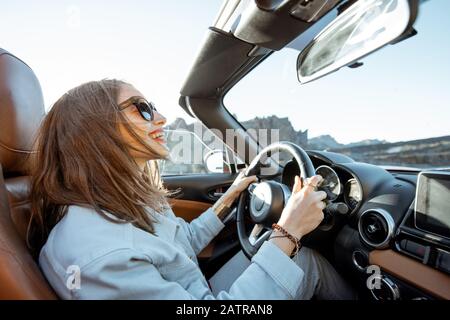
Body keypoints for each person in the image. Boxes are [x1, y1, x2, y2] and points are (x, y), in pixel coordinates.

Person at [28, 79, 355, 300]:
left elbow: (181, 241)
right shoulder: (103, 258)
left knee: (294, 256)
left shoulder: (120, 201)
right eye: (141, 108)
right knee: (302, 259)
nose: (161, 118)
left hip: (195, 292)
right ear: (95, 131)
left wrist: (228, 198)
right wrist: (289, 231)